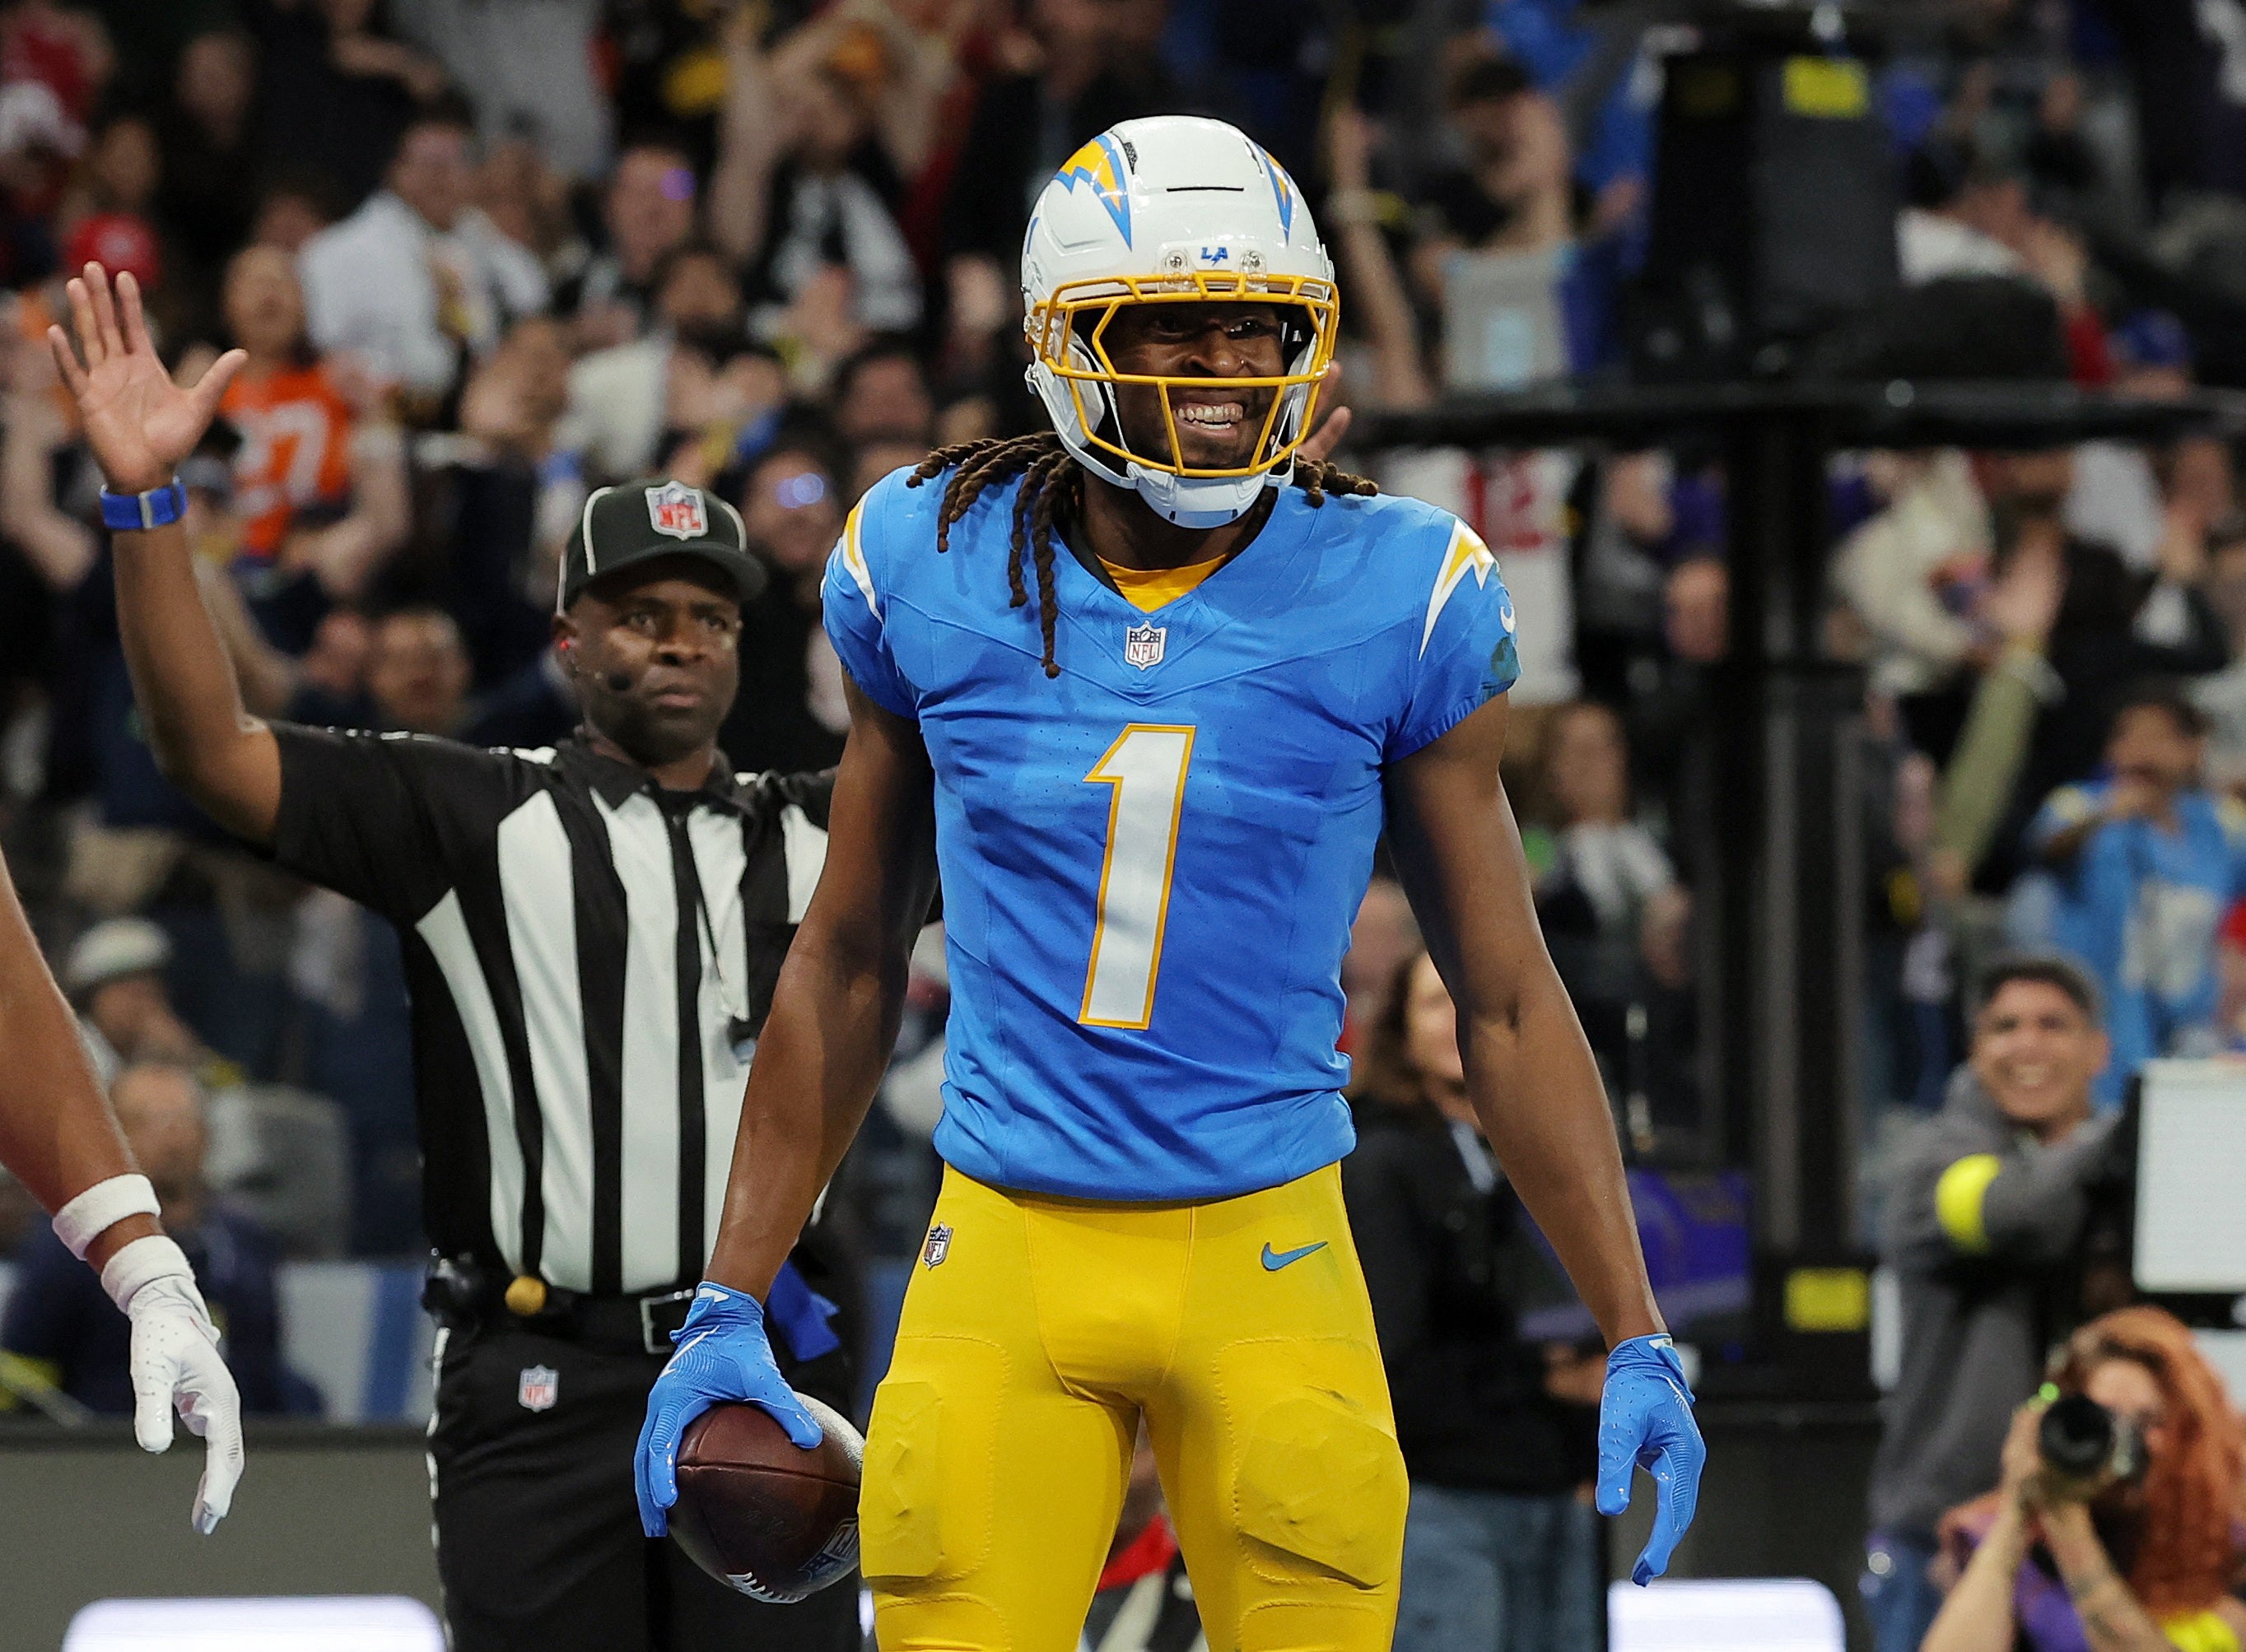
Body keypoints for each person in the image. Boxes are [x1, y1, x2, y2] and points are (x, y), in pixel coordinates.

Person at [637, 116, 1703, 1651]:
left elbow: (1506, 995)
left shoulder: (1397, 587)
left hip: (1268, 1241)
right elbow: (852, 951)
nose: (1223, 370)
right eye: (1174, 330)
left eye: (1255, 328)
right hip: (1003, 1234)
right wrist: (732, 1292)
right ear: (1070, 346)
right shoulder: (931, 554)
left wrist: (1633, 1322)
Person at [47, 259, 855, 1652]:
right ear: (566, 638)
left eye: (709, 615)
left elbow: (1037, 780)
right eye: (641, 610)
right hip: (533, 1371)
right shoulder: (465, 807)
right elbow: (209, 752)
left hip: (753, 1371)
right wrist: (143, 507)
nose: (679, 640)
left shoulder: (827, 835)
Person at [1863, 955, 2132, 1652]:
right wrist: (2131, 1126)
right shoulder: (1937, 1163)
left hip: (2096, 1541)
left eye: (2053, 1024)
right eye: (2005, 1027)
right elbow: (2020, 1210)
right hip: (1942, 1543)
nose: (2028, 1045)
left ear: (2097, 1049)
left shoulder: (2123, 1174)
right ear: (1976, 1050)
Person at [1344, 947, 1604, 1652]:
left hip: (1560, 1499)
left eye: (1473, 996)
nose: (1460, 1016)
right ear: (1401, 1028)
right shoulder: (1378, 1163)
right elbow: (1388, 1365)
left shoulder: (1551, 1151)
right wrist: (1546, 1379)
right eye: (1436, 1001)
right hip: (1443, 1505)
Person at [0, 845, 241, 1531]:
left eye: (152, 987)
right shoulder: (54, 1258)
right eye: (126, 989)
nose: (146, 1002)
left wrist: (149, 1274)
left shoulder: (235, 1235)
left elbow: (7, 1004)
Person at [1922, 1306, 2246, 1651]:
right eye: (2104, 1419)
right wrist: (2017, 1512)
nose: (2124, 1442)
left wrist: (2068, 1527)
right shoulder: (2023, 1546)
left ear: (2189, 1431)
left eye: (2147, 1420)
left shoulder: (2223, 1551)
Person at [4, 1061, 297, 1417]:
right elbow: (24, 1373)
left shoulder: (245, 1242)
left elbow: (264, 1365)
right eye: (149, 1122)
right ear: (110, 1138)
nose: (172, 1138)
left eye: (183, 1120)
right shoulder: (72, 1244)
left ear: (207, 1136)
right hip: (107, 1451)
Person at [2030, 682, 2246, 1102]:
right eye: (2126, 735)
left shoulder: (2220, 825)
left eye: (2156, 737)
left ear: (2194, 749)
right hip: (2106, 1029)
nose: (2137, 751)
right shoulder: (2081, 805)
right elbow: (2046, 846)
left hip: (2193, 1033)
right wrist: (2109, 814)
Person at [296, 97, 549, 406]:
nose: (439, 178)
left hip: (481, 415)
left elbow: (534, 311)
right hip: (376, 419)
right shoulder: (335, 253)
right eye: (428, 164)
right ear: (395, 169)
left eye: (453, 163)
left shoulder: (497, 251)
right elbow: (317, 351)